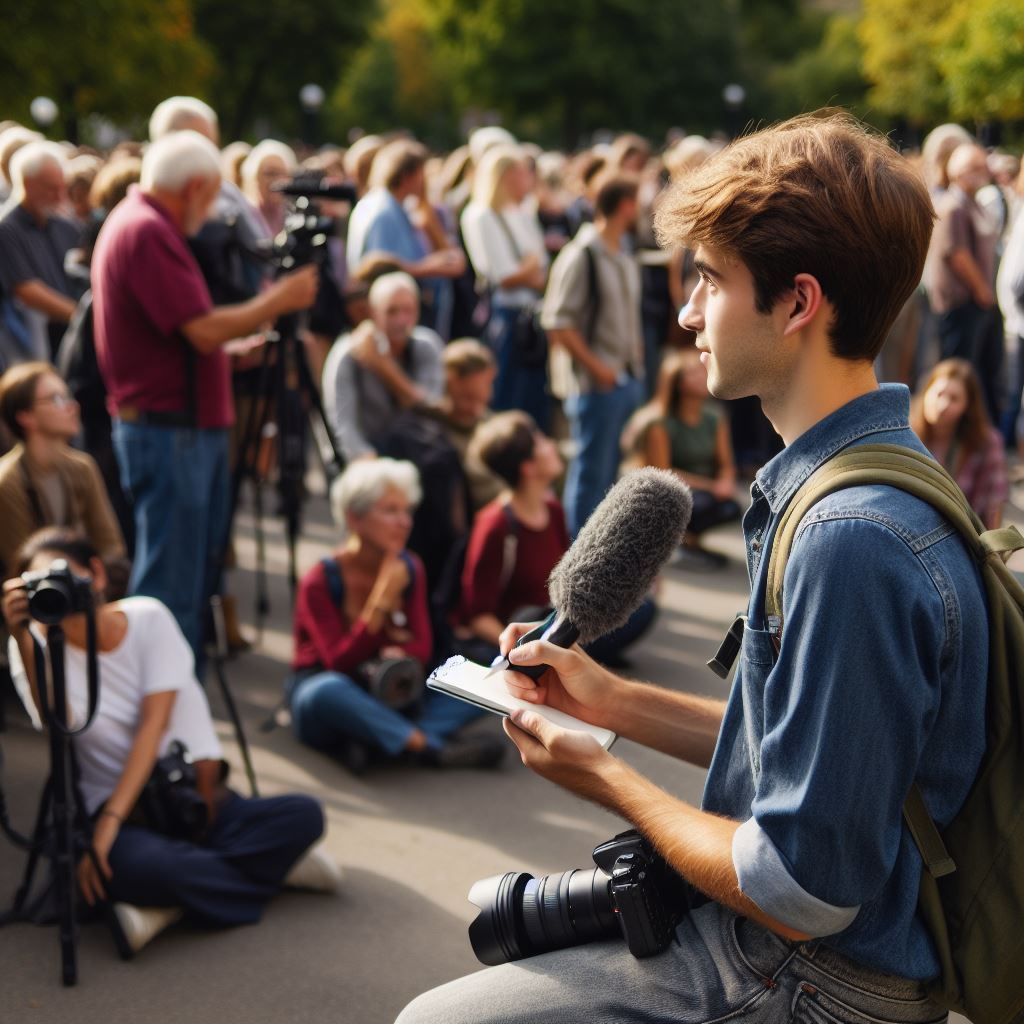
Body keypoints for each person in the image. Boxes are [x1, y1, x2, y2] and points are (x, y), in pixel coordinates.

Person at [397, 112, 986, 1024]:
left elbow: (803, 889)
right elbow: (808, 757)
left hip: (811, 978)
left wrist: (606, 777)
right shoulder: (873, 478)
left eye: (708, 281)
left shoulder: (850, 538)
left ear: (797, 303)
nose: (685, 313)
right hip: (788, 952)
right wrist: (611, 700)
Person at [1, 528, 337, 954]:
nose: (54, 590)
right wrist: (26, 642)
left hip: (192, 802)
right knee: (152, 867)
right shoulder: (34, 648)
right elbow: (59, 727)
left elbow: (152, 728)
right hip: (129, 819)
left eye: (61, 576)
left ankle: (167, 909)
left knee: (304, 815)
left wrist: (107, 826)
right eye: (38, 585)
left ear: (97, 574)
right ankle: (258, 874)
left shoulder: (147, 617)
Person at [90, 130, 318, 668]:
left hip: (180, 425)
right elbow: (198, 329)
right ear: (193, 186)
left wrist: (234, 348)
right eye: (214, 192)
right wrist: (278, 301)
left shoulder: (145, 223)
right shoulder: (147, 230)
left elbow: (182, 335)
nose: (217, 207)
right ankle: (164, 704)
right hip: (172, 429)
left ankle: (173, 701)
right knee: (173, 583)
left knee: (187, 574)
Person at [288, 458, 504, 772]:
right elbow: (339, 662)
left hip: (392, 695)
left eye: (407, 511)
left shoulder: (409, 566)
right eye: (390, 511)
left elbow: (422, 649)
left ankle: (372, 741)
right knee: (324, 690)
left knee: (487, 681)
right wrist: (380, 603)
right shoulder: (320, 580)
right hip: (335, 699)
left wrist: (401, 649)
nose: (404, 522)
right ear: (354, 518)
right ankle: (429, 746)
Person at [454, 411, 655, 668]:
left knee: (641, 608)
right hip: (525, 632)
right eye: (540, 442)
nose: (550, 444)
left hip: (555, 620)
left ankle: (580, 656)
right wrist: (522, 651)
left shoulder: (552, 508)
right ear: (527, 467)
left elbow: (569, 573)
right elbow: (478, 616)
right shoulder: (495, 525)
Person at [541, 174, 646, 536]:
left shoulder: (623, 251)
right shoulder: (581, 254)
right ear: (625, 205)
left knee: (609, 475)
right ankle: (580, 556)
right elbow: (558, 323)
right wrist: (598, 370)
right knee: (590, 475)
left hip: (624, 377)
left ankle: (601, 555)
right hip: (595, 384)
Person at [0, 362, 125, 579]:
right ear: (25, 417)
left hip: (87, 587)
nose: (72, 406)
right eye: (56, 399)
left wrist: (93, 581)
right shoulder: (7, 482)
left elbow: (111, 548)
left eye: (68, 396)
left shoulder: (83, 467)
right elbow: (19, 564)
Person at [460, 143, 549, 428]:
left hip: (530, 313)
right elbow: (502, 275)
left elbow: (539, 263)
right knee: (506, 396)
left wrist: (529, 269)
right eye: (524, 173)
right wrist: (529, 269)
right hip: (507, 317)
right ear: (507, 175)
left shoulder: (522, 211)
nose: (529, 180)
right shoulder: (481, 214)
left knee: (533, 397)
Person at [626, 347, 740, 568]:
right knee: (699, 503)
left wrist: (726, 481)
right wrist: (711, 486)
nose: (702, 376)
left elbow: (726, 463)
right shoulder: (659, 423)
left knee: (729, 507)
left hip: (705, 490)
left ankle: (689, 543)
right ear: (677, 382)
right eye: (693, 373)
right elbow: (664, 472)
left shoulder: (714, 417)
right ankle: (675, 543)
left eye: (702, 371)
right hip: (672, 490)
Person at [322, 271, 445, 463]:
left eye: (408, 311)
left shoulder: (427, 345)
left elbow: (432, 411)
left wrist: (382, 365)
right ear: (373, 312)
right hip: (370, 460)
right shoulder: (347, 354)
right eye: (391, 311)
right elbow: (343, 425)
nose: (401, 321)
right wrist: (372, 466)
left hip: (418, 454)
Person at [922, 142, 1002, 418]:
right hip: (961, 305)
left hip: (977, 304)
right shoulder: (953, 206)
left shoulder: (973, 204)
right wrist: (983, 291)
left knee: (976, 373)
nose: (983, 173)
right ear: (958, 172)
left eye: (983, 167)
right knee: (957, 373)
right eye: (975, 168)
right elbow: (957, 254)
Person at [0, 141, 81, 363]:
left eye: (62, 186)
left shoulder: (65, 226)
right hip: (35, 347)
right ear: (27, 184)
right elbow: (26, 290)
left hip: (70, 337)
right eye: (51, 188)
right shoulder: (7, 229)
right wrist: (81, 316)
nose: (59, 195)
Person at [910, 357, 1007, 529]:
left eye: (954, 399)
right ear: (926, 392)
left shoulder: (986, 443)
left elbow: (993, 508)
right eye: (939, 394)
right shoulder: (907, 434)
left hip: (961, 539)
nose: (942, 405)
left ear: (967, 406)